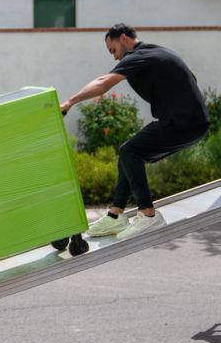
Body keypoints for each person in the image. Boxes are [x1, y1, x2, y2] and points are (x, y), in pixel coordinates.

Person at [61, 23, 209, 240]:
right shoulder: (157, 52)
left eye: (113, 50)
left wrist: (70, 102)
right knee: (128, 153)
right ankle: (115, 215)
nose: (114, 58)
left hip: (184, 122)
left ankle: (148, 215)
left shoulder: (139, 56)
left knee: (131, 151)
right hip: (188, 121)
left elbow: (103, 83)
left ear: (123, 38)